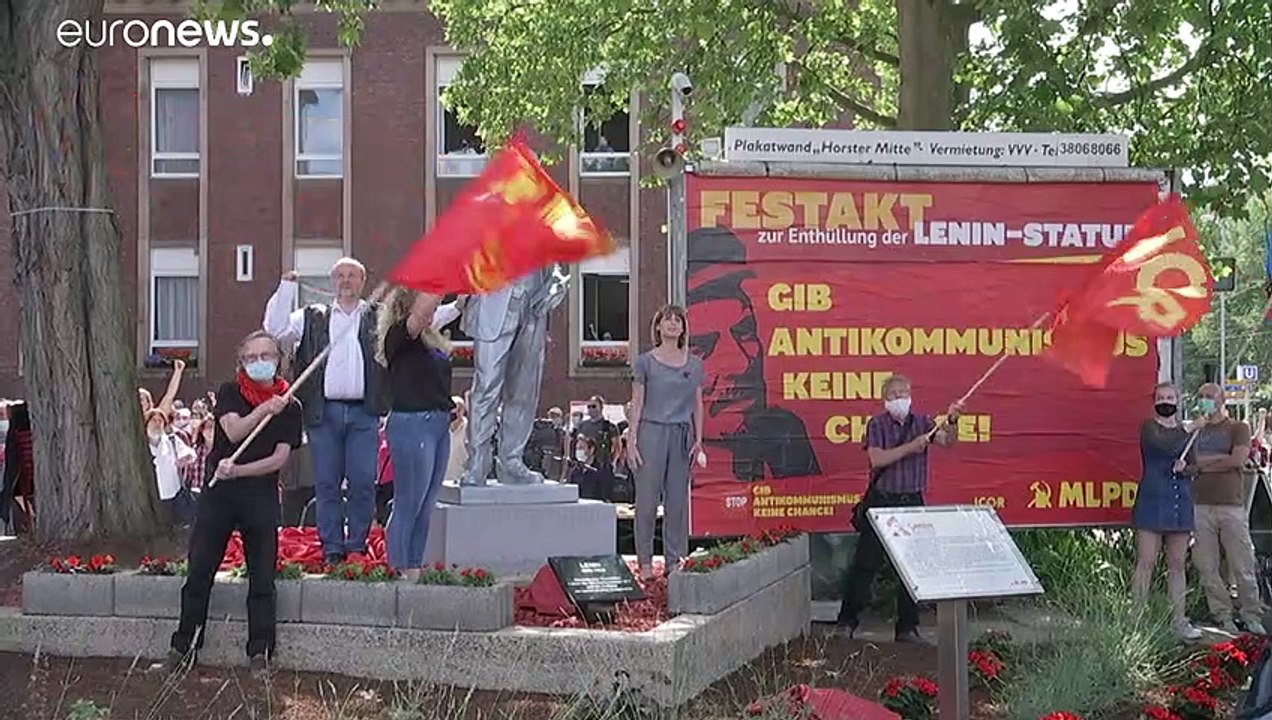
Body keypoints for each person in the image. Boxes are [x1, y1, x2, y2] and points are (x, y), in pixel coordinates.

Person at [168, 331, 303, 677]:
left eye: (267, 355)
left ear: (278, 359)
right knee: (199, 571)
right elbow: (234, 432)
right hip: (219, 495)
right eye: (252, 357)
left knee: (262, 578)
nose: (260, 362)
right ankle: (184, 648)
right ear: (241, 362)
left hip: (259, 495)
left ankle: (260, 653)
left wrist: (240, 469)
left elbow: (279, 458)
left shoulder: (291, 405)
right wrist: (262, 411)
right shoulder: (230, 392)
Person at [835, 374, 963, 644]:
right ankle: (846, 622)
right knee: (865, 565)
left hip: (912, 501)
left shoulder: (924, 422)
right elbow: (877, 458)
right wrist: (911, 447)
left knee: (911, 568)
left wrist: (952, 420)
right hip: (882, 501)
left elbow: (947, 442)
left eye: (904, 393)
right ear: (885, 399)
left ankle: (907, 628)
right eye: (894, 395)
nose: (899, 399)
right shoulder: (877, 424)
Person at [686, 226, 821, 480]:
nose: (739, 364)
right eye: (702, 345)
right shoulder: (675, 442)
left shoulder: (785, 436)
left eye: (744, 332)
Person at [459, 264, 568, 486]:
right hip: (494, 299)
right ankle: (477, 462)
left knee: (524, 391)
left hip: (534, 303)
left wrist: (557, 282)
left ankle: (511, 461)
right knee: (486, 387)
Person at [376, 287, 458, 577]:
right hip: (412, 423)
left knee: (426, 504)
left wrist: (450, 407)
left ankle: (414, 565)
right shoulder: (399, 336)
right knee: (409, 500)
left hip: (436, 423)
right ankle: (400, 567)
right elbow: (422, 312)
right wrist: (438, 281)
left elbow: (430, 380)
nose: (435, 308)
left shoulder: (430, 341)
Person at [628, 305, 706, 581]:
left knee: (677, 502)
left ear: (684, 328)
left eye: (678, 320)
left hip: (681, 435)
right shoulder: (645, 362)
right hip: (651, 431)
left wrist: (699, 440)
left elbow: (698, 404)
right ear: (658, 327)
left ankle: (674, 561)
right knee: (647, 501)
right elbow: (637, 403)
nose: (673, 324)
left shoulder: (695, 364)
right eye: (667, 320)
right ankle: (645, 563)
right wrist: (632, 439)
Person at [1189, 383, 1265, 634]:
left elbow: (1238, 459)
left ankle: (1251, 614)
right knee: (1206, 565)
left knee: (1242, 562)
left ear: (1222, 400)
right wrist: (1217, 462)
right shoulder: (1195, 431)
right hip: (1200, 505)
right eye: (1201, 397)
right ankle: (1222, 614)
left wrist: (1204, 465)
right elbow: (1191, 463)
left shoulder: (1238, 428)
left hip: (1231, 505)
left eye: (1210, 396)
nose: (1204, 400)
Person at [1130, 382, 1202, 640]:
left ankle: (1179, 620)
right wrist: (1190, 427)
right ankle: (1136, 621)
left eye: (1170, 397)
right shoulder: (1150, 428)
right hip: (1152, 501)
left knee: (1177, 564)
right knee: (1146, 562)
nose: (1166, 401)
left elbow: (1195, 466)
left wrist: (1187, 469)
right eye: (1161, 397)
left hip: (1179, 502)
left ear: (1177, 400)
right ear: (1154, 401)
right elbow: (1164, 447)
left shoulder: (1187, 434)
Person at [576, 396, 619, 475]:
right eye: (589, 407)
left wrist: (613, 462)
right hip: (585, 465)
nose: (591, 409)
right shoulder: (582, 425)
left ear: (601, 407)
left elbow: (616, 447)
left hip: (603, 465)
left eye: (594, 406)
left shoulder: (609, 426)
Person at [569, 435, 608, 501]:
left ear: (591, 449)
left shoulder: (601, 470)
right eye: (577, 449)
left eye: (581, 448)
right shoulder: (575, 471)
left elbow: (605, 495)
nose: (578, 452)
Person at [446, 396, 469, 483]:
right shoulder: (441, 428)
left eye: (459, 409)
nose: (456, 412)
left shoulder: (468, 428)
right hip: (443, 478)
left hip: (459, 477)